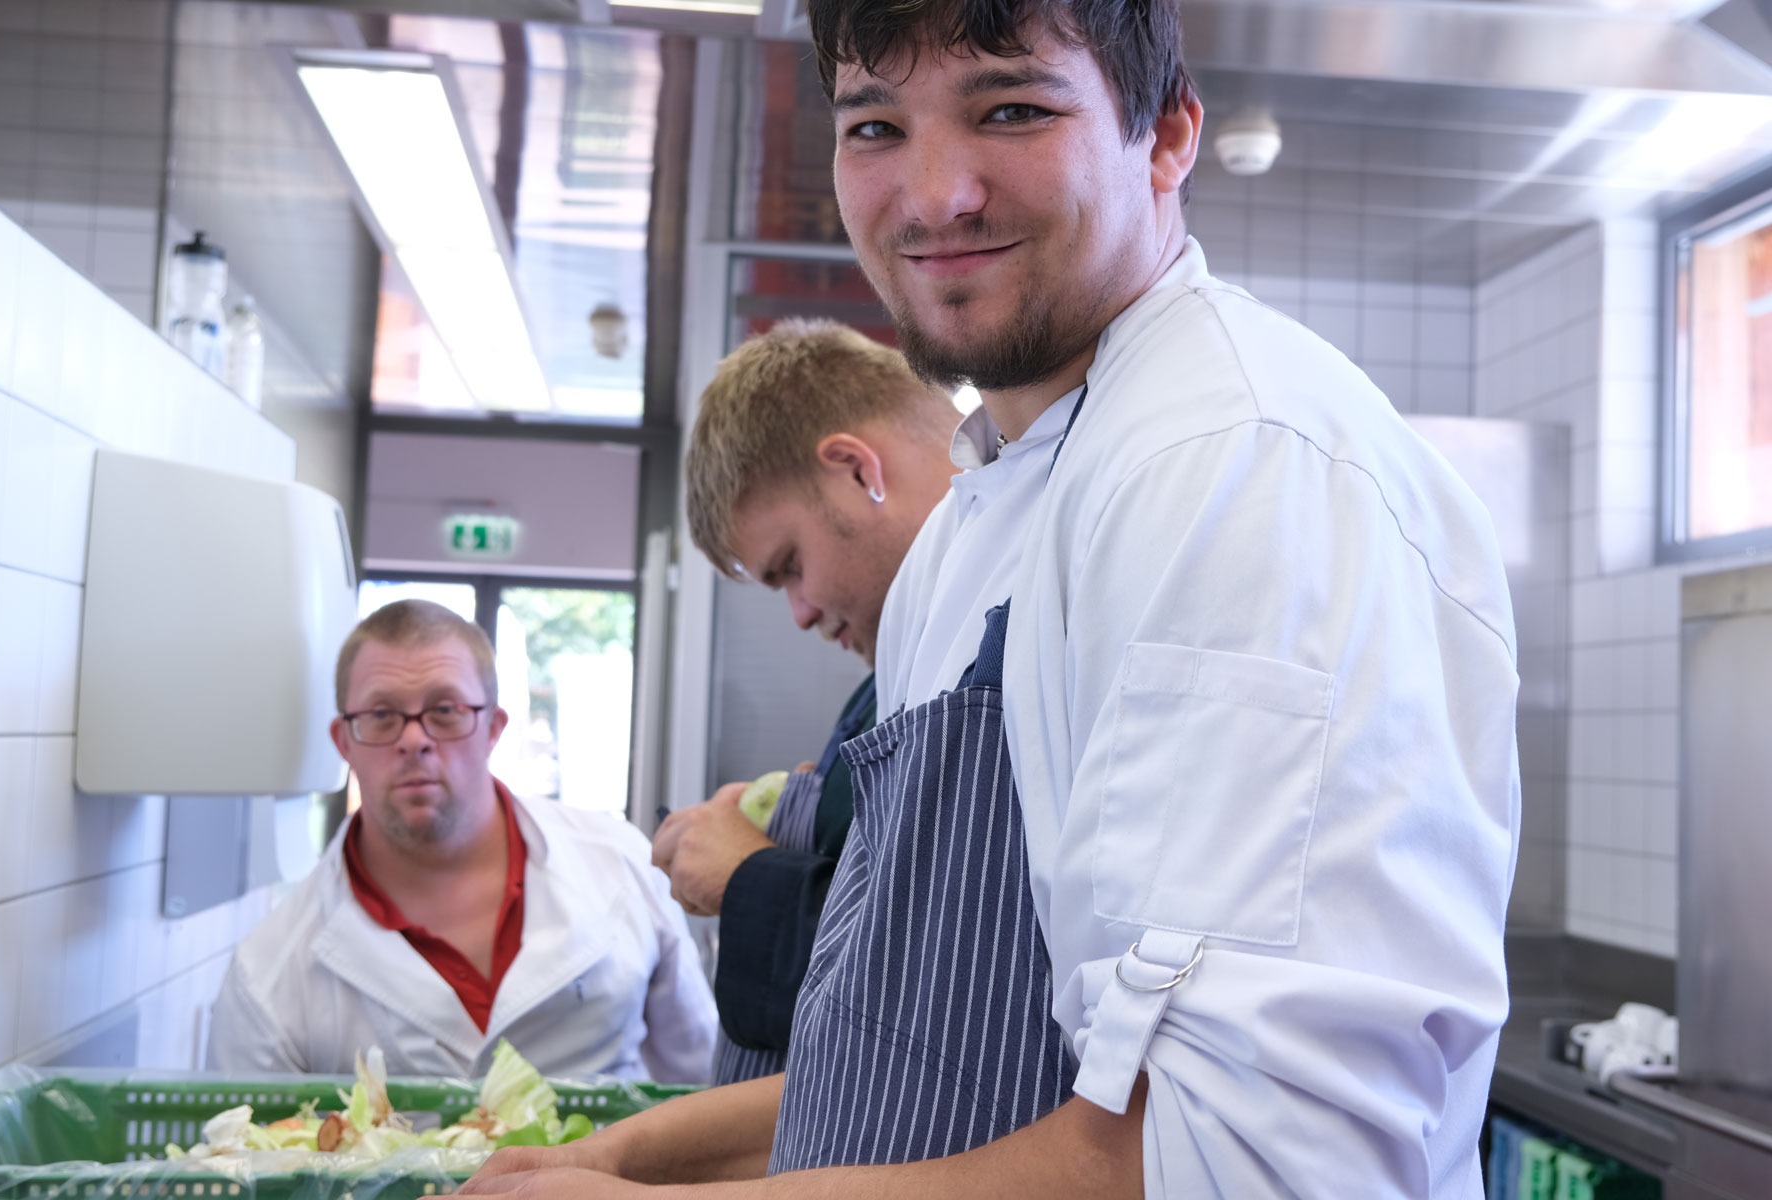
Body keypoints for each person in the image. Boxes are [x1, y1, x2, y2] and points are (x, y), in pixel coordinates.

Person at [464, 0, 1519, 1194]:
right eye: (874, 126)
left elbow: (1239, 1162)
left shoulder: (1232, 469)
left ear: (1166, 137)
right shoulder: (983, 511)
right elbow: (922, 1074)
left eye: (1010, 108)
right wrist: (630, 1154)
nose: (932, 195)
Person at [208, 599, 717, 1082]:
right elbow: (245, 1163)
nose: (414, 739)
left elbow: (704, 1083)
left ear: (492, 728)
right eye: (382, 715)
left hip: (616, 1174)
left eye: (444, 710)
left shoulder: (620, 864)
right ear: (344, 742)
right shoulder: (268, 974)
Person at [650, 318, 962, 1085]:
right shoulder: (895, 676)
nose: (801, 612)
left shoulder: (1018, 629)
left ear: (856, 470)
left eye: (790, 566)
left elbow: (956, 988)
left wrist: (746, 876)